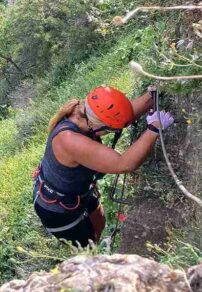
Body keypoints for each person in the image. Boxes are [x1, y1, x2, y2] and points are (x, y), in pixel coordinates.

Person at [32, 85, 174, 247]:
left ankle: (99, 238)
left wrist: (150, 97)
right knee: (89, 245)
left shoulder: (86, 113)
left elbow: (120, 117)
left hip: (75, 193)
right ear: (98, 127)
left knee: (98, 221)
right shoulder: (70, 140)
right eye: (109, 130)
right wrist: (154, 129)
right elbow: (124, 164)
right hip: (58, 212)